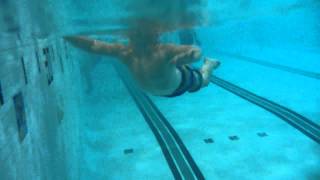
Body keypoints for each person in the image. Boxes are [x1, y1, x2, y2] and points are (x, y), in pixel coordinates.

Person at [64, 32, 220, 97]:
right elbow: (93, 45)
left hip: (180, 83)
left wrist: (190, 56)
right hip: (162, 87)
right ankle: (206, 65)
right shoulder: (124, 52)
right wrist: (66, 36)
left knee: (204, 81)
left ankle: (209, 64)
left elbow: (194, 51)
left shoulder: (164, 50)